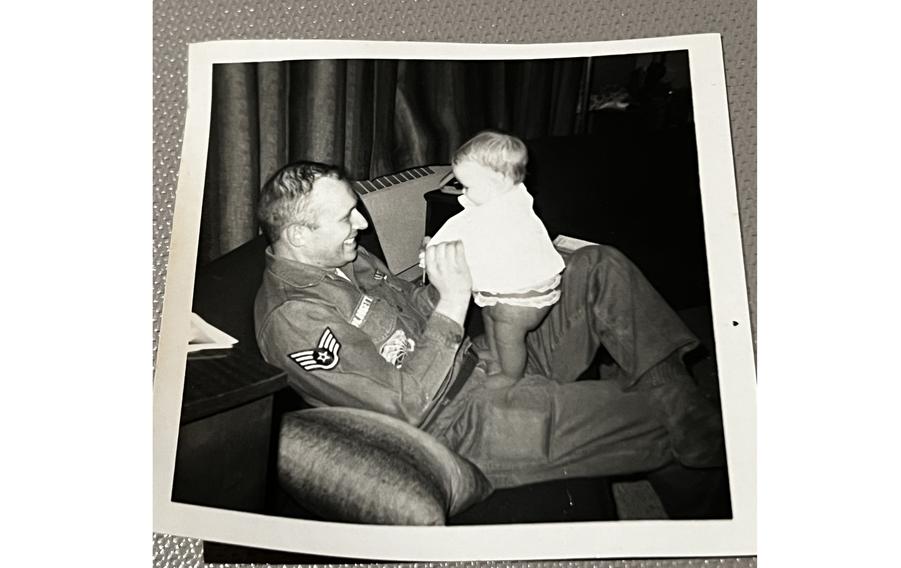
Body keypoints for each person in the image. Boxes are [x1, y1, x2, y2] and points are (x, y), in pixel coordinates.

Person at [253, 160, 725, 492]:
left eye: (356, 207)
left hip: (481, 359)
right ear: (298, 234)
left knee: (598, 267)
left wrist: (447, 273)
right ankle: (711, 473)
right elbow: (404, 407)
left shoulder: (346, 259)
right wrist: (455, 299)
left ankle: (687, 421)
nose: (361, 221)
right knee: (662, 416)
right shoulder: (295, 319)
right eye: (345, 217)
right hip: (461, 423)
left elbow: (415, 315)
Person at [427, 131, 564, 382]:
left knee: (508, 336)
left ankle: (511, 375)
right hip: (503, 292)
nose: (464, 194)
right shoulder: (499, 196)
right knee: (489, 315)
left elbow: (472, 235)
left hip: (522, 298)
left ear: (498, 181)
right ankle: (496, 355)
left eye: (468, 186)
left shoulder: (503, 213)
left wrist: (437, 251)